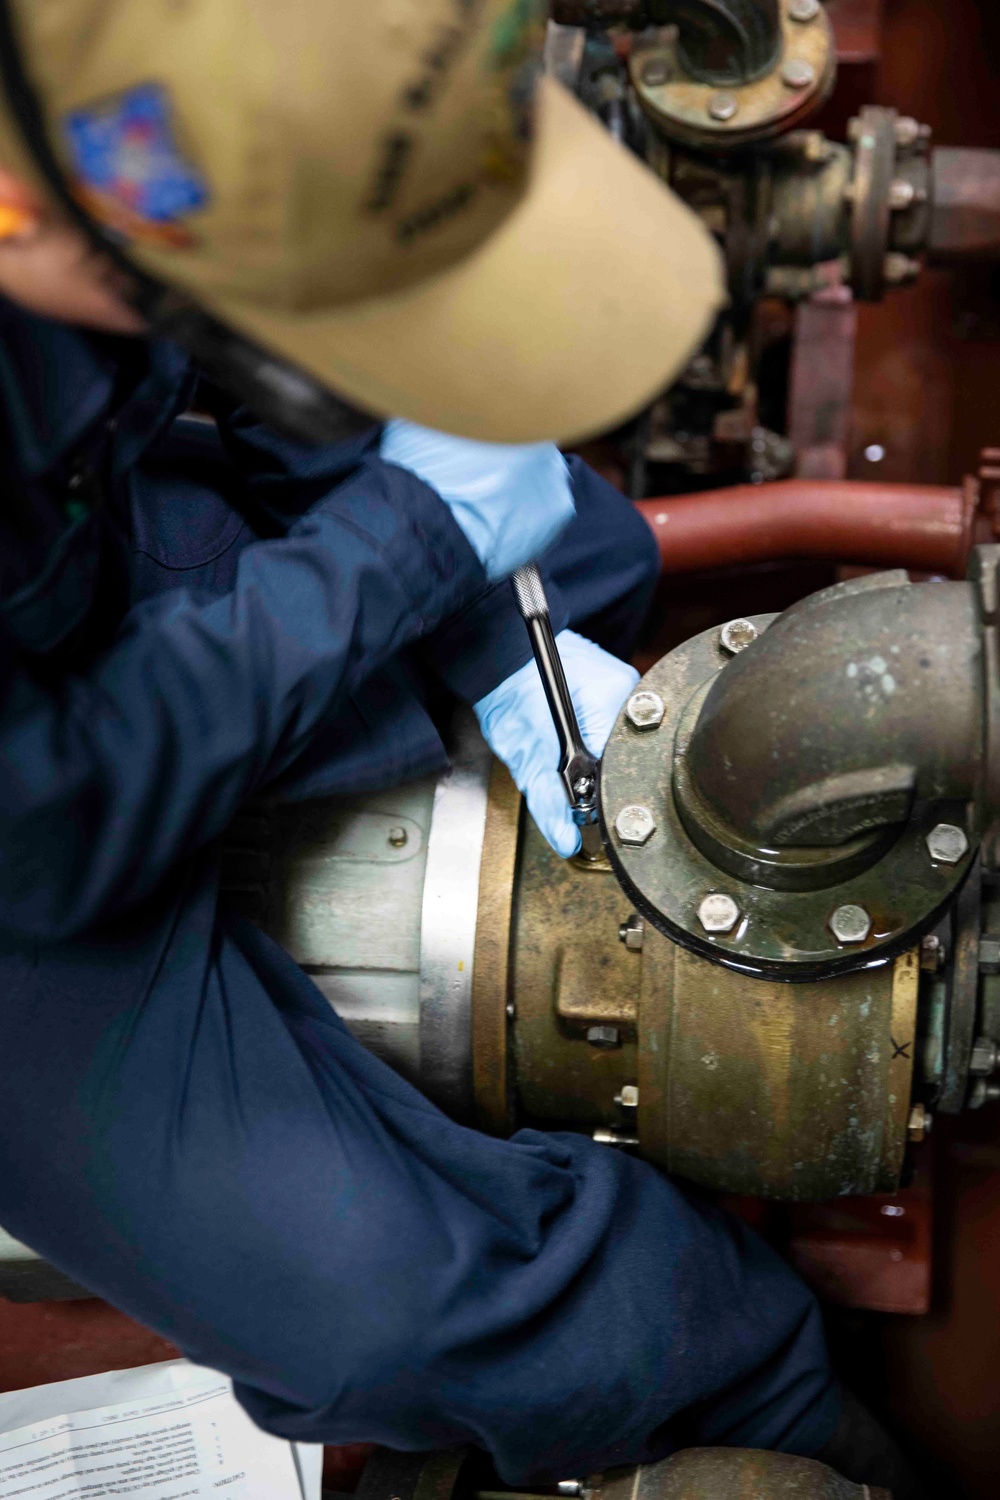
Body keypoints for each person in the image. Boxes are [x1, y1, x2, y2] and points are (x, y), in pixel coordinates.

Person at [0, 2, 924, 1496]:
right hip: (32, 879)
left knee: (582, 549)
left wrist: (495, 632)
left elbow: (268, 316)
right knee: (395, 1321)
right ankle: (758, 1387)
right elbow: (49, 825)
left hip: (82, 556)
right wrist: (406, 544)